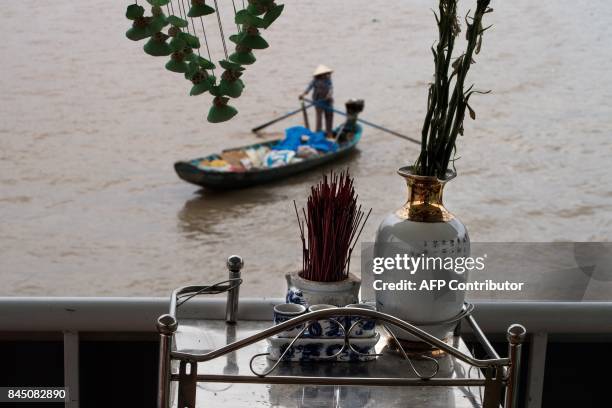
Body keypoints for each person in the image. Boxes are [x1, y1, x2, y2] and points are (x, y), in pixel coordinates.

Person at [299, 64, 334, 137]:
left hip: (328, 101)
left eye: (326, 73)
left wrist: (329, 95)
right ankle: (318, 134)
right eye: (323, 74)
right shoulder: (315, 81)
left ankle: (329, 134)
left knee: (329, 116)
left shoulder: (328, 80)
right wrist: (303, 94)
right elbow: (309, 88)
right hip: (318, 101)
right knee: (319, 118)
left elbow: (331, 88)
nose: (325, 75)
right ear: (320, 74)